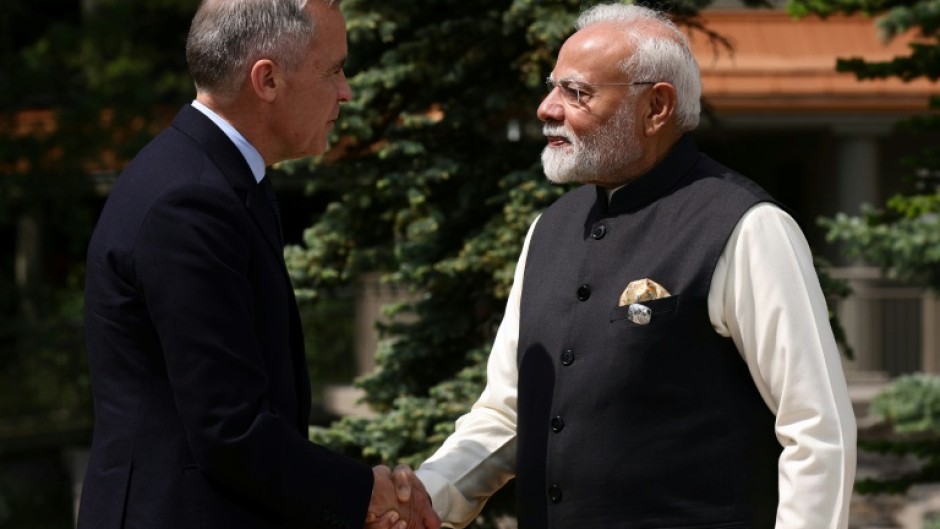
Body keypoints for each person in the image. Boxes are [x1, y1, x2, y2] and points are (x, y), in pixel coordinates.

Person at [403, 3, 857, 528]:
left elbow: (817, 430)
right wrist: (427, 501)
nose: (547, 108)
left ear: (656, 107)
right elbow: (508, 413)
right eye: (552, 88)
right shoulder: (547, 231)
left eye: (577, 93)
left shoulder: (747, 227)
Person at [79, 1, 438, 528]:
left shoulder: (213, 177)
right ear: (267, 80)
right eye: (334, 69)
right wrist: (365, 492)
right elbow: (230, 428)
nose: (347, 91)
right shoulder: (191, 200)